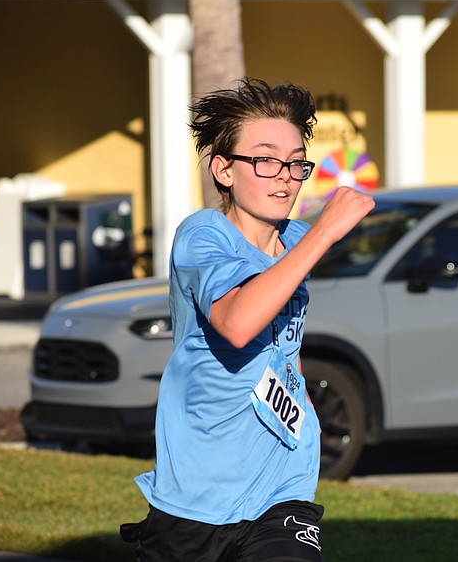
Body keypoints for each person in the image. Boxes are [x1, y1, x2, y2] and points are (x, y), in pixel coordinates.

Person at [121, 79, 374, 561]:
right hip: (195, 497)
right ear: (224, 170)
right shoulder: (203, 235)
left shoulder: (297, 239)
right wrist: (324, 234)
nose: (284, 176)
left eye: (296, 161)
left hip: (282, 488)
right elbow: (237, 322)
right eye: (264, 160)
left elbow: (286, 344)